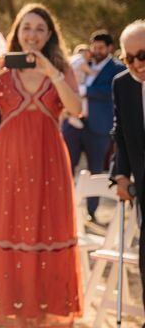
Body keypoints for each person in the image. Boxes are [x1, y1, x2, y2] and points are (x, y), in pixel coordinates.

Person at [0, 3, 83, 328]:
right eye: (27, 28)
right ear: (16, 31)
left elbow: (76, 109)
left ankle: (44, 324)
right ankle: (20, 323)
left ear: (50, 35)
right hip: (8, 165)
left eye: (40, 29)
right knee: (12, 233)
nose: (32, 35)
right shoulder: (1, 69)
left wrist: (53, 73)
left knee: (49, 233)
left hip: (50, 165)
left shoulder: (59, 67)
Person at [110, 20, 145, 328]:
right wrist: (120, 174)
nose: (136, 64)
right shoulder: (122, 84)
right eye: (129, 57)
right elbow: (120, 132)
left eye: (143, 56)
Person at [62, 30, 125, 222]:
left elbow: (111, 91)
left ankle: (91, 211)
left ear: (109, 48)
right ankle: (65, 210)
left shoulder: (116, 68)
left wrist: (85, 90)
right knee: (65, 166)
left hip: (98, 127)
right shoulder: (83, 63)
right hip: (73, 125)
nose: (96, 51)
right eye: (94, 47)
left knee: (95, 169)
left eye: (101, 47)